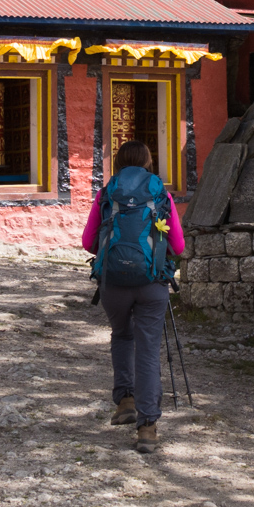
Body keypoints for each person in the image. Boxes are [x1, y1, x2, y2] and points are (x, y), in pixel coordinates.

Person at [79, 140, 184, 454]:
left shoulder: (106, 194)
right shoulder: (160, 195)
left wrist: (116, 255)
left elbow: (88, 242)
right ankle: (147, 427)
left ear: (119, 164)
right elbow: (177, 246)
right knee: (148, 349)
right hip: (152, 283)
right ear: (149, 163)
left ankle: (125, 400)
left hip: (113, 283)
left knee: (122, 336)